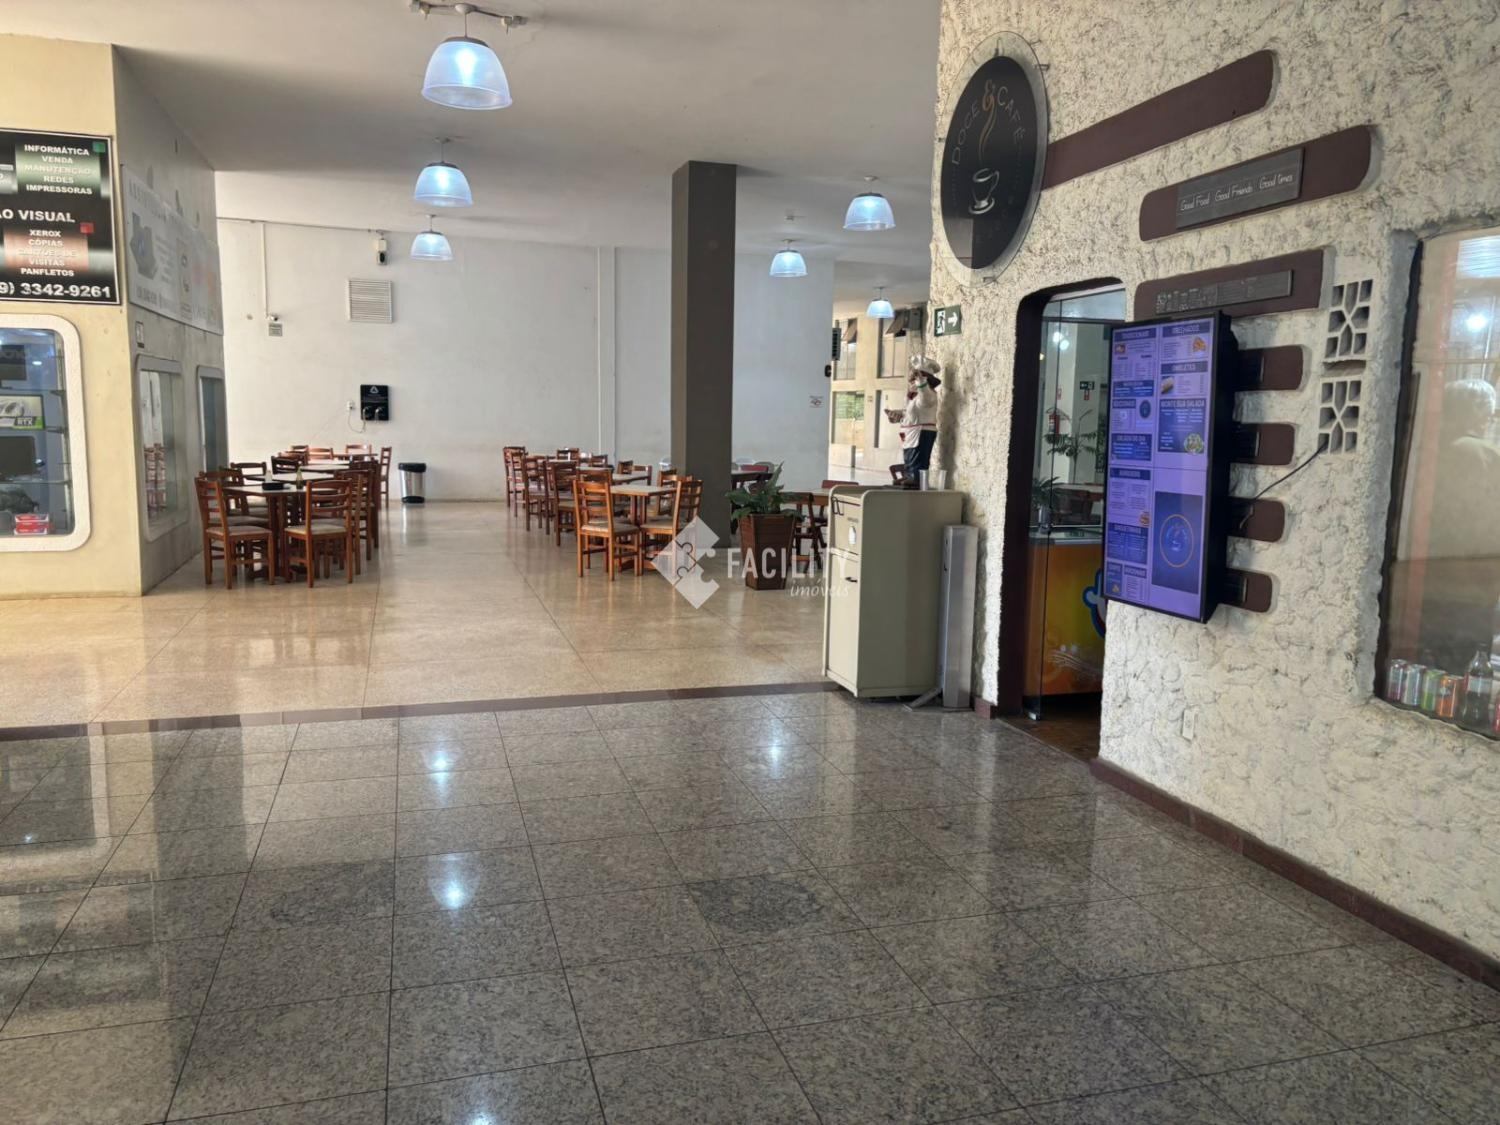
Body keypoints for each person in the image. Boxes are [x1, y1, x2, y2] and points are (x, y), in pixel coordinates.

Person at [886, 355, 941, 486]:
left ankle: (916, 478)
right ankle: (909, 474)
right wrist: (897, 416)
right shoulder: (913, 398)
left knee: (918, 457)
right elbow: (910, 414)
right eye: (911, 380)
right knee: (909, 456)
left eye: (913, 379)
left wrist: (920, 381)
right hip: (911, 433)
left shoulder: (928, 395)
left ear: (924, 380)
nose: (911, 382)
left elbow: (924, 396)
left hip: (922, 432)